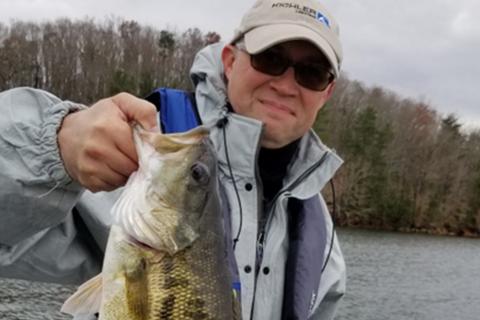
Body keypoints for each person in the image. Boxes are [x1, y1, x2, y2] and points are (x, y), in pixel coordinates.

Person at [0, 0, 346, 319]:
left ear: (327, 91)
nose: (286, 85)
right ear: (230, 60)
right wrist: (53, 146)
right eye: (270, 59)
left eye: (312, 73)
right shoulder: (126, 163)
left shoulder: (324, 247)